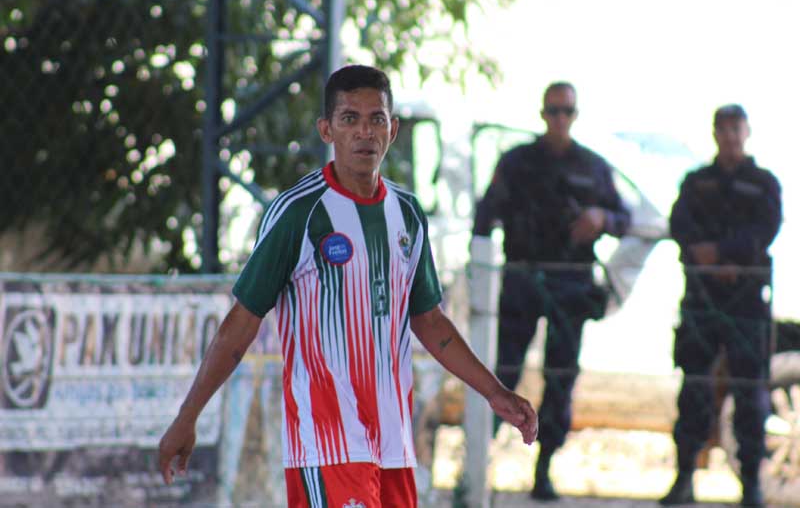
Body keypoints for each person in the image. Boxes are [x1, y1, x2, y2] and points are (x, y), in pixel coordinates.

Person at [158, 64, 538, 507]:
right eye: (349, 119)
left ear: (393, 130)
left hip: (394, 445)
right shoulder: (299, 213)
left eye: (376, 118)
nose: (365, 132)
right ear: (326, 130)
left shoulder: (408, 215)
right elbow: (240, 325)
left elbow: (430, 321)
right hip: (327, 444)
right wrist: (189, 416)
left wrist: (495, 392)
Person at [472, 81, 631, 501]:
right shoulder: (517, 162)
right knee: (502, 372)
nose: (560, 119)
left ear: (575, 115)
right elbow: (484, 216)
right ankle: (478, 465)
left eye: (567, 111)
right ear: (542, 114)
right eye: (553, 111)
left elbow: (624, 218)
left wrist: (600, 216)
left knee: (560, 378)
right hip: (522, 279)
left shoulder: (593, 167)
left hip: (570, 284)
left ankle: (544, 470)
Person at [660, 104, 781, 508]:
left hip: (746, 303)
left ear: (746, 131)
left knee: (750, 395)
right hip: (702, 301)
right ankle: (684, 478)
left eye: (736, 128)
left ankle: (751, 484)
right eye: (723, 129)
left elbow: (766, 229)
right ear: (714, 133)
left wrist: (727, 255)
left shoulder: (763, 183)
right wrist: (705, 256)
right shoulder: (697, 182)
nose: (729, 136)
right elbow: (680, 225)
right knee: (693, 389)